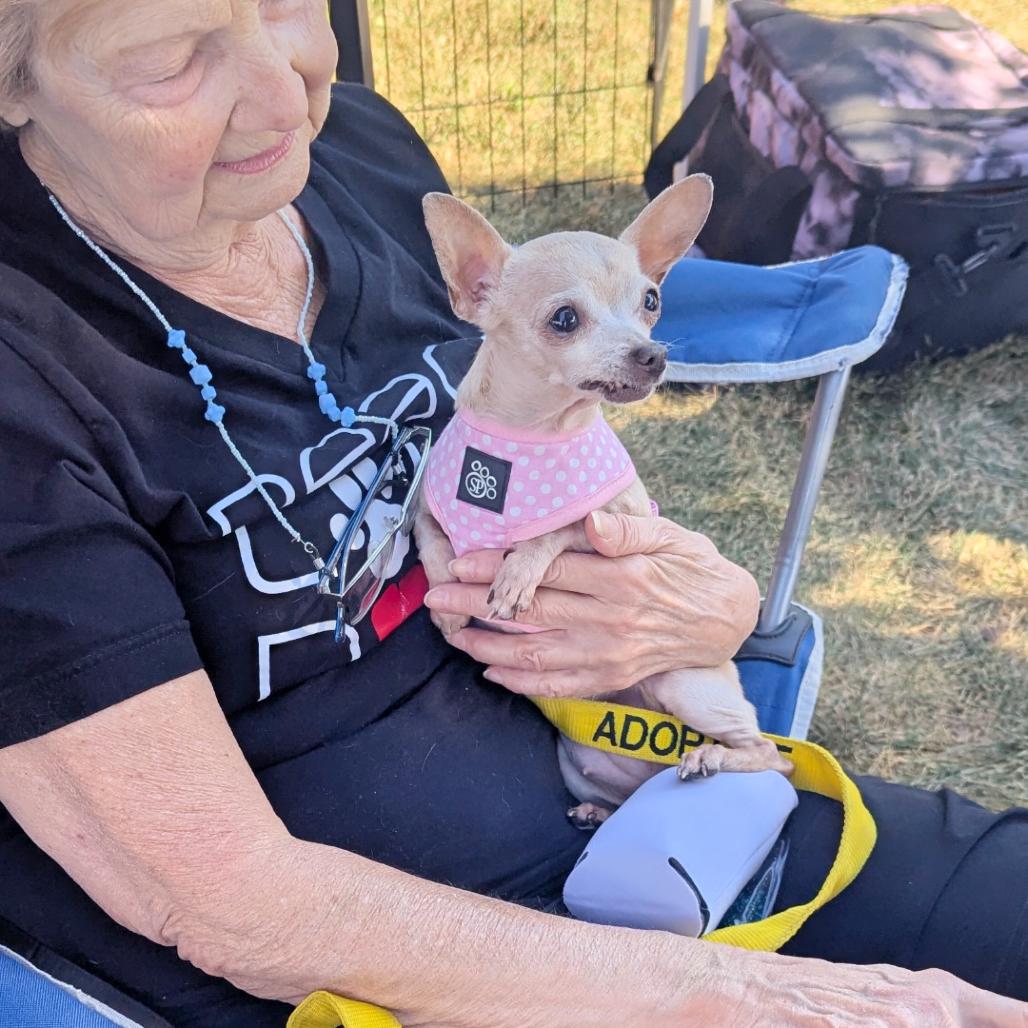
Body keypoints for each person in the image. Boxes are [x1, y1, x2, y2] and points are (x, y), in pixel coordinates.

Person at [0, 2, 1024, 1026]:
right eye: (172, 59)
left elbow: (537, 445)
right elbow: (222, 896)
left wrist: (707, 604)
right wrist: (735, 995)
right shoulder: (27, 373)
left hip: (650, 794)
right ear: (14, 82)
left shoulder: (361, 154)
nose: (283, 92)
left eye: (281, 2)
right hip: (382, 963)